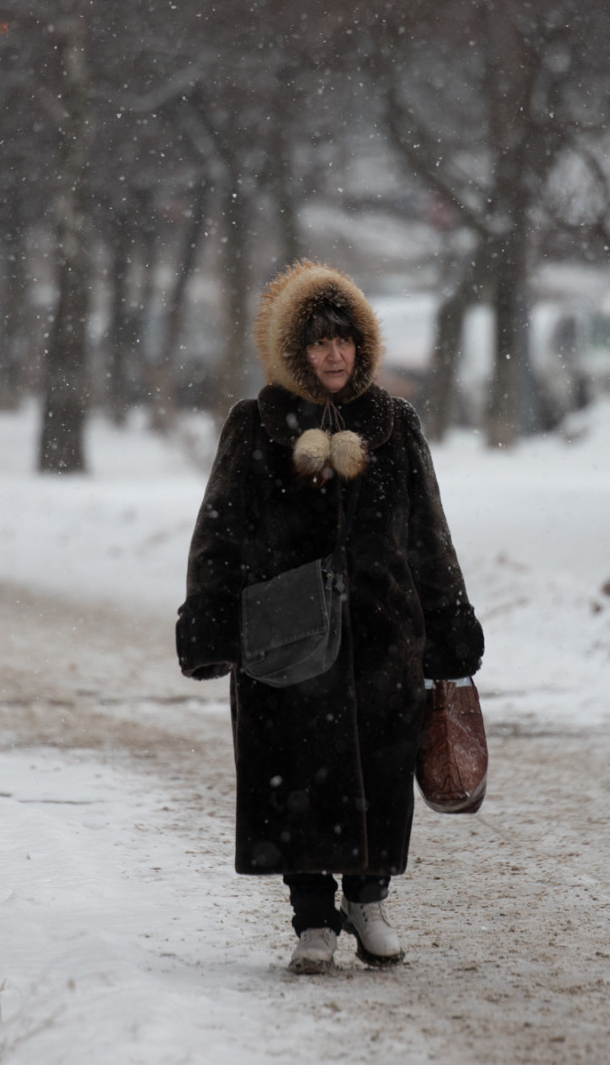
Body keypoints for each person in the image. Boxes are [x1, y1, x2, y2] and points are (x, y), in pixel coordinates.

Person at [176, 260, 485, 976]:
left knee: (380, 770)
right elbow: (217, 532)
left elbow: (429, 534)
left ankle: (370, 902)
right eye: (318, 343)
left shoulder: (394, 424)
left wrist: (447, 624)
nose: (334, 355)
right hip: (285, 639)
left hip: (384, 636)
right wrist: (213, 620)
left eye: (344, 340)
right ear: (295, 351)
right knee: (298, 775)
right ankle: (312, 917)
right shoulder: (255, 427)